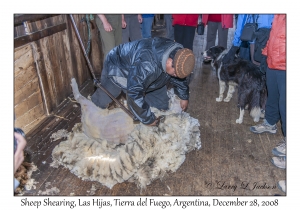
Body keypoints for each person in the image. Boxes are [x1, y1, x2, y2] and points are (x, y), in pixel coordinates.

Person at [91, 37, 195, 126]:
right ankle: (91, 111)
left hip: (152, 74)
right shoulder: (147, 64)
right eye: (175, 73)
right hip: (119, 65)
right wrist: (147, 119)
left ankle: (146, 111)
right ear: (170, 61)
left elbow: (179, 77)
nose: (176, 76)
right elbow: (134, 92)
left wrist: (184, 96)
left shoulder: (178, 54)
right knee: (107, 95)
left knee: (161, 106)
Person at [249, 14, 286, 193]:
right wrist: (265, 54)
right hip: (273, 62)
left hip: (287, 65)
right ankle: (270, 124)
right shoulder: (280, 14)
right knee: (273, 98)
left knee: (286, 107)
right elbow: (275, 35)